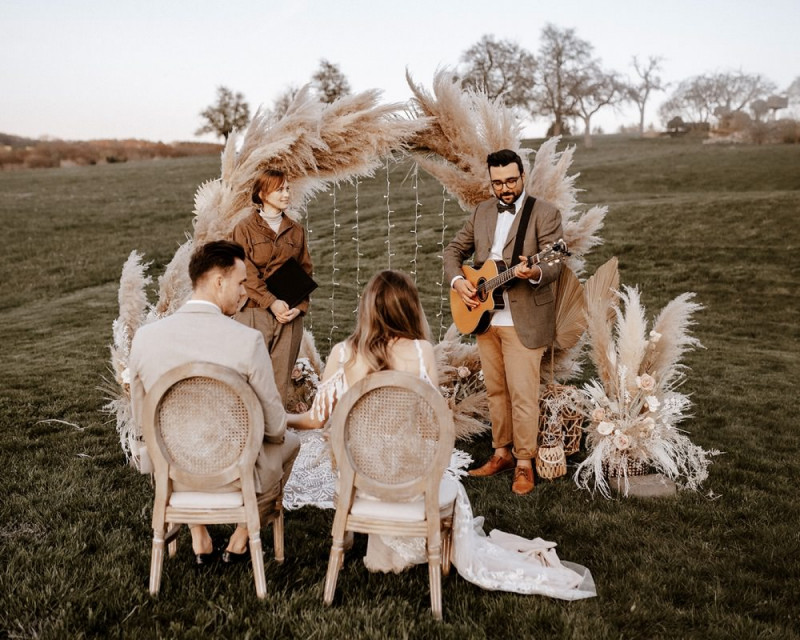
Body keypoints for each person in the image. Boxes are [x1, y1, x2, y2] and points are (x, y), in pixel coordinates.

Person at [283, 271, 594, 600]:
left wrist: (284, 418)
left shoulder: (344, 355)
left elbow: (316, 420)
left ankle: (357, 535)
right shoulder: (420, 352)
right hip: (409, 474)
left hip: (358, 474)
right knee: (451, 489)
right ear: (410, 308)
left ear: (368, 308)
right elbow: (432, 424)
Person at [129, 240, 300, 564]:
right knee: (290, 442)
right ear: (218, 282)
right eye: (240, 283)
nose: (245, 294)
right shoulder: (246, 342)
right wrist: (273, 434)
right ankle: (241, 534)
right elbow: (276, 426)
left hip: (173, 469)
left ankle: (199, 536)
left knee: (187, 439)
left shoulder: (146, 339)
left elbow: (141, 420)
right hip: (236, 471)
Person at [443, 149, 563, 495]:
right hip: (485, 317)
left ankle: (524, 463)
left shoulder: (545, 213)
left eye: (511, 180)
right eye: (498, 183)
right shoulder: (481, 212)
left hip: (523, 319)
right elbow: (453, 251)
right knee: (496, 390)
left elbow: (554, 264)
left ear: (522, 176)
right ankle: (501, 453)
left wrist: (535, 269)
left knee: (523, 394)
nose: (505, 188)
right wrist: (459, 282)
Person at [231, 168, 313, 407]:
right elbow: (245, 271)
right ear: (262, 194)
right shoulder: (244, 229)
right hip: (255, 311)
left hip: (289, 315)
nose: (286, 194)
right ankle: (249, 438)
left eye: (287, 188)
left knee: (279, 384)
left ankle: (277, 437)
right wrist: (271, 302)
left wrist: (299, 307)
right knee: (250, 380)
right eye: (280, 190)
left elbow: (305, 271)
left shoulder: (296, 230)